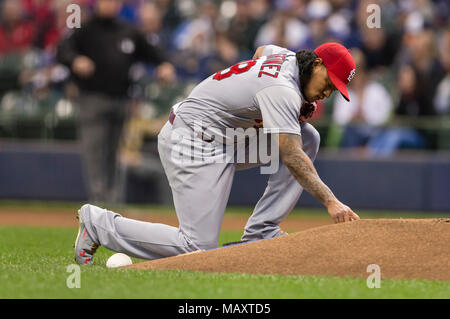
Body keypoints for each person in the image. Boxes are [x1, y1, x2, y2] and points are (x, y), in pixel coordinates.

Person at [74, 42, 360, 265]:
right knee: (197, 248)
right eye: (329, 82)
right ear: (318, 63)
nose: (328, 93)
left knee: (308, 136)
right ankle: (98, 225)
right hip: (191, 142)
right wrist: (331, 202)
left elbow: (261, 51)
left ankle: (261, 231)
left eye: (335, 89)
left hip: (227, 138)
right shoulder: (283, 90)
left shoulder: (287, 58)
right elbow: (291, 157)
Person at [56, 0, 175, 203]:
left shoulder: (127, 31)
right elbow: (63, 50)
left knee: (113, 152)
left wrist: (164, 64)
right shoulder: (85, 29)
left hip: (120, 100)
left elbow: (153, 51)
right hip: (92, 98)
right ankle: (98, 199)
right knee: (94, 151)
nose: (110, 5)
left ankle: (111, 200)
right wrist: (75, 60)